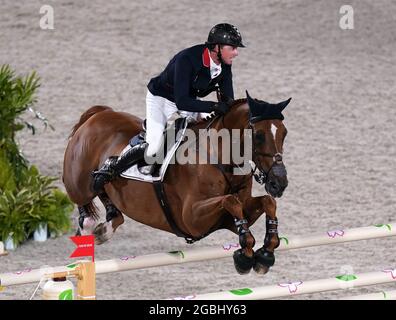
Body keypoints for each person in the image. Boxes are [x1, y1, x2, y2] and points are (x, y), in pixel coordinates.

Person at [92, 23, 245, 192]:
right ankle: (112, 168)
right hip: (161, 99)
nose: (236, 53)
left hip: (189, 100)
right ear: (216, 47)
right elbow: (182, 102)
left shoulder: (224, 64)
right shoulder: (187, 59)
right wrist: (214, 106)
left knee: (208, 129)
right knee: (154, 148)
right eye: (232, 48)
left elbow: (228, 100)